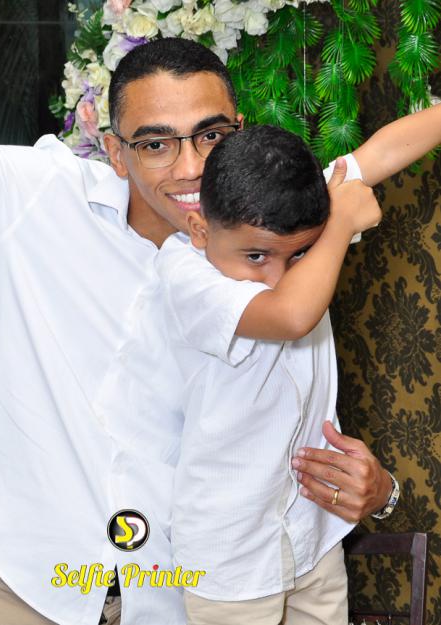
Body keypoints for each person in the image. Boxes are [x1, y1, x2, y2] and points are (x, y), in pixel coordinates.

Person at [0, 33, 428, 624]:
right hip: (24, 591)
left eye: (211, 135)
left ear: (239, 133)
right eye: (156, 143)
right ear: (114, 152)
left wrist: (381, 492)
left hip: (177, 599)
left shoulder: (284, 223)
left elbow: (275, 422)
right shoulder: (34, 199)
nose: (191, 167)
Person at [155, 124, 382, 624]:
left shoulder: (293, 207)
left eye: (299, 254)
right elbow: (289, 315)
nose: (278, 275)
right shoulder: (186, 273)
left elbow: (384, 152)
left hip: (313, 537)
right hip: (230, 561)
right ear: (200, 230)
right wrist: (340, 225)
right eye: (256, 256)